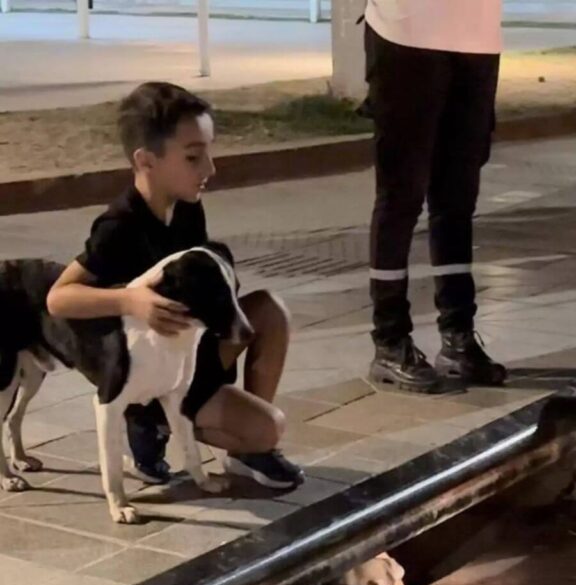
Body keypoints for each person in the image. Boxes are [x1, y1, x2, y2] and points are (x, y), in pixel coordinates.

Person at [48, 81, 304, 490]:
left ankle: (246, 453)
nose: (210, 169)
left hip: (191, 355)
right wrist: (129, 300)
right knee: (268, 427)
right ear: (146, 160)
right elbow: (59, 298)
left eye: (209, 152)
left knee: (269, 310)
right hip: (152, 375)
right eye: (193, 156)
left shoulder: (186, 207)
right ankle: (151, 424)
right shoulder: (119, 226)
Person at [363, 0, 507, 393]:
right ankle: (390, 339)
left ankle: (458, 335)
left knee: (457, 198)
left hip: (478, 39)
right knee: (401, 196)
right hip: (406, 32)